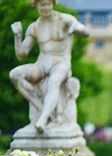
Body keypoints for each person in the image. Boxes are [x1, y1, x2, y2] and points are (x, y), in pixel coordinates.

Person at [10, 0, 89, 133]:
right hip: (42, 64)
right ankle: (42, 110)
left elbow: (85, 31)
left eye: (48, 4)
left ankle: (43, 119)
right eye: (42, 5)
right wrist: (17, 36)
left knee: (54, 81)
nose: (46, 8)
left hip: (61, 62)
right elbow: (21, 54)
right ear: (36, 6)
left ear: (53, 4)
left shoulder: (64, 19)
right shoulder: (34, 27)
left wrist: (76, 28)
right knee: (15, 75)